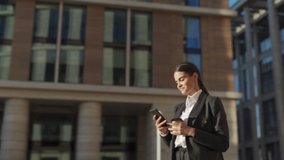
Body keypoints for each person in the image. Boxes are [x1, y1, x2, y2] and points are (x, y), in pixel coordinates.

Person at [153, 62, 229, 160]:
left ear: (194, 76)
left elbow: (223, 143)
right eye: (176, 82)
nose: (178, 85)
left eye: (181, 79)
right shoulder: (179, 108)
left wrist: (190, 131)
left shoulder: (212, 102)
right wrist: (164, 132)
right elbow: (175, 144)